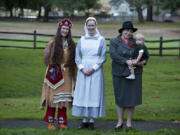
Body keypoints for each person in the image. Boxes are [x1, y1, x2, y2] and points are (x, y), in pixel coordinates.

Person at [109, 21, 149, 130]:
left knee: (132, 98)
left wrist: (142, 62)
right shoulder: (114, 41)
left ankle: (129, 123)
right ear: (122, 31)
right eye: (126, 30)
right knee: (120, 98)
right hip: (119, 73)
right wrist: (126, 61)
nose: (128, 32)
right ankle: (119, 122)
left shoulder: (136, 41)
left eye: (131, 31)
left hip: (135, 73)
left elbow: (145, 53)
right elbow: (113, 55)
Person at [40, 18, 76, 130]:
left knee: (63, 100)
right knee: (52, 99)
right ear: (60, 28)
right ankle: (50, 123)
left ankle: (62, 122)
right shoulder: (53, 42)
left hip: (67, 75)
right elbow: (45, 57)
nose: (65, 30)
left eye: (67, 28)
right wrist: (50, 67)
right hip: (54, 74)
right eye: (63, 28)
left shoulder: (71, 44)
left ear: (69, 30)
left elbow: (74, 59)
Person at [72, 17, 107, 130]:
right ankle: (84, 119)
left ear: (96, 26)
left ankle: (91, 120)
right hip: (83, 69)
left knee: (94, 93)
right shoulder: (82, 40)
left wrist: (93, 69)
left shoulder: (101, 40)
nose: (91, 27)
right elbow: (77, 57)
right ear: (86, 26)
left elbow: (103, 57)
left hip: (95, 70)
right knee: (83, 93)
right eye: (89, 25)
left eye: (93, 25)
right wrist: (82, 68)